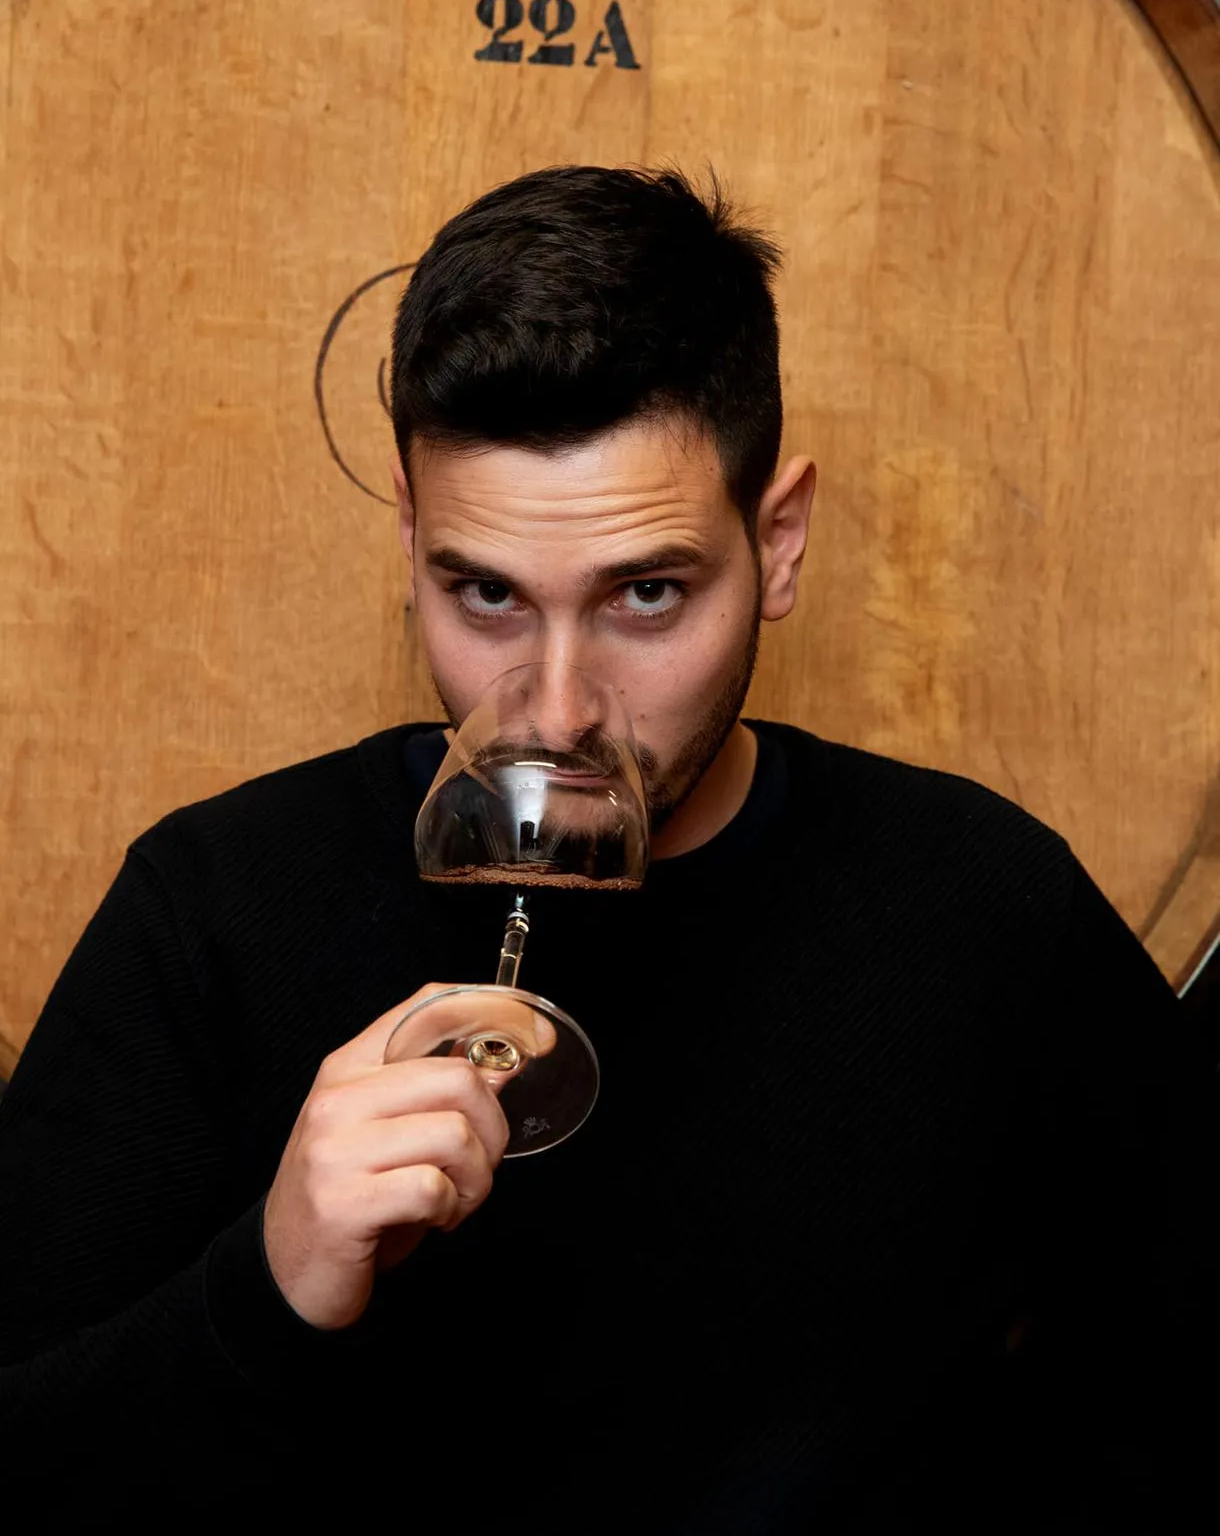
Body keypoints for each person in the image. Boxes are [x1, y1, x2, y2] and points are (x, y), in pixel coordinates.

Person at [0, 166, 1214, 1528]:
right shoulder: (214, 906)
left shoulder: (982, 906)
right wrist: (266, 1287)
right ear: (409, 531)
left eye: (646, 593)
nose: (560, 709)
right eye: (485, 592)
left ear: (779, 541)